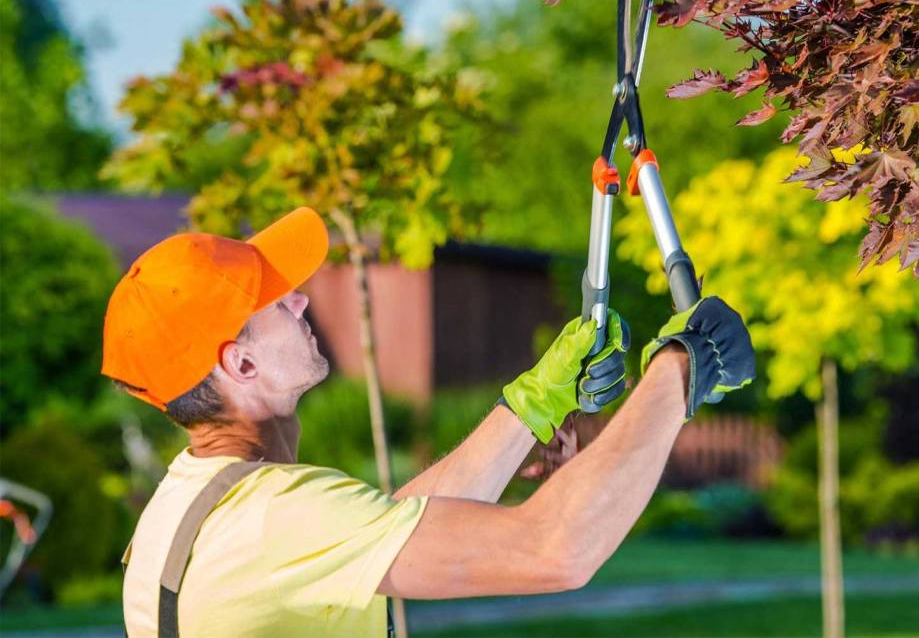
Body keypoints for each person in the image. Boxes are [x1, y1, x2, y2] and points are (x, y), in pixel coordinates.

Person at [106, 207, 755, 637]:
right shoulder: (274, 516)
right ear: (240, 363)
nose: (301, 297)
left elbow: (392, 530)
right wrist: (683, 368)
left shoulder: (194, 506)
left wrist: (536, 398)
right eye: (275, 300)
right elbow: (555, 549)